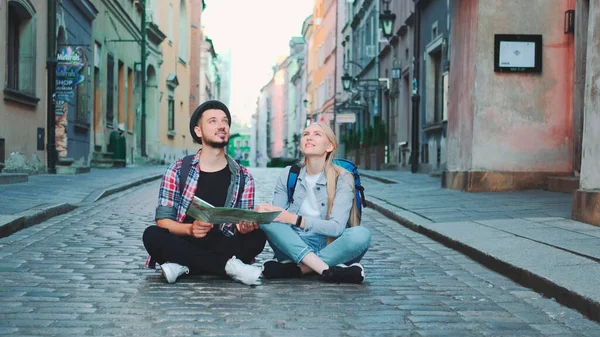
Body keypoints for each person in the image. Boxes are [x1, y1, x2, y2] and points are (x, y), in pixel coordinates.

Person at [142, 100, 267, 286]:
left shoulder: (243, 176)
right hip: (185, 240)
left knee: (258, 238)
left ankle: (184, 265)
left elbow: (242, 220)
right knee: (152, 235)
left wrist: (245, 226)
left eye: (225, 121)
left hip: (223, 242)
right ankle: (229, 268)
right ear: (198, 131)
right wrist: (190, 229)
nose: (221, 126)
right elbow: (163, 220)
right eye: (213, 121)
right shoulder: (178, 169)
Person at [256, 122, 371, 284]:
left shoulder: (343, 177)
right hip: (293, 246)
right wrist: (265, 212)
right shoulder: (289, 174)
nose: (309, 137)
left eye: (317, 134)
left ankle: (299, 269)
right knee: (266, 218)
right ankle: (328, 270)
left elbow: (337, 227)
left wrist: (295, 219)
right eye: (305, 134)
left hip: (331, 247)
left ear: (329, 146)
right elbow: (277, 218)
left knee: (361, 234)